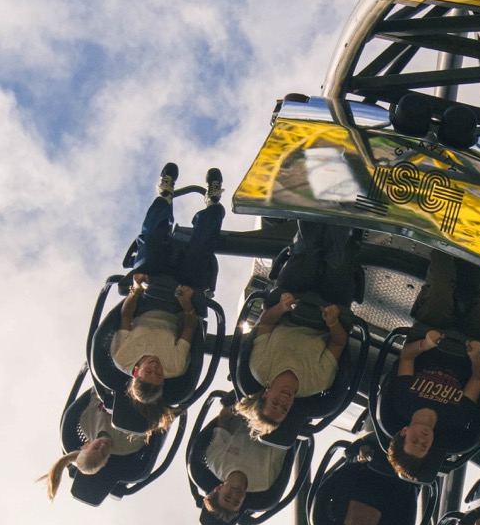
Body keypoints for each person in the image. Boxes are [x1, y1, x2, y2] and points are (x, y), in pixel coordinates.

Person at [109, 162, 225, 431]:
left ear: (135, 372)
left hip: (148, 300)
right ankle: (213, 204)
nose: (155, 367)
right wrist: (186, 303)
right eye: (158, 374)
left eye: (149, 370)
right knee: (199, 253)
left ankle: (164, 195)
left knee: (150, 243)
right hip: (177, 303)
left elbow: (126, 315)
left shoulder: (123, 357)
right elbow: (188, 328)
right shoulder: (175, 366)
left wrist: (135, 291)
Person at [378, 250, 480, 482]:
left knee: (440, 290)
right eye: (424, 446)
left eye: (414, 441)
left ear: (404, 432)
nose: (422, 438)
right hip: (470, 347)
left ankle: (445, 240)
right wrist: (476, 355)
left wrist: (425, 344)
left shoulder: (402, 403)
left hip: (432, 337)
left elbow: (406, 357)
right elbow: (478, 378)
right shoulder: (455, 418)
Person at [241, 221, 361, 436]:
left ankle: (319, 206)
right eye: (285, 408)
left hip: (292, 302)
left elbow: (266, 322)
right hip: (327, 313)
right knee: (339, 258)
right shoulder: (316, 382)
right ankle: (346, 215)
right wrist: (332, 321)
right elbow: (338, 343)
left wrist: (281, 307)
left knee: (307, 251)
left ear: (266, 394)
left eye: (275, 403)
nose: (283, 401)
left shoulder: (259, 366)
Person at [310, 436, 419, 525]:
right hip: (405, 466)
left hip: (371, 450)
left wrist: (357, 456)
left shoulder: (331, 516)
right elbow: (409, 505)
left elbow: (335, 480)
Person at [40, 390, 147, 500]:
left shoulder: (86, 423)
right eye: (103, 454)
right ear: (106, 460)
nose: (103, 447)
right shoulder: (129, 445)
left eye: (95, 447)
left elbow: (96, 391)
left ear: (86, 445)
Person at [200, 402, 291, 523]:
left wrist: (238, 407)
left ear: (218, 488)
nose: (235, 495)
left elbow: (224, 418)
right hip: (280, 417)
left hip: (248, 405)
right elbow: (282, 443)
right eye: (237, 501)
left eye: (227, 497)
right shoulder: (264, 481)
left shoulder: (214, 460)